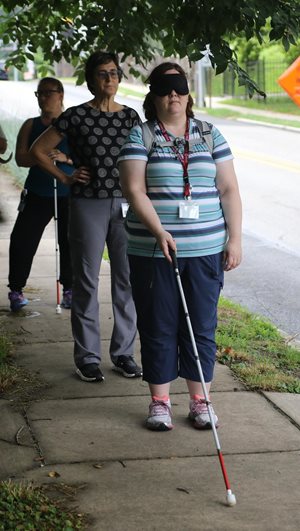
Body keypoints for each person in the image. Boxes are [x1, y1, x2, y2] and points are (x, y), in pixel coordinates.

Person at [118, 62, 242, 431]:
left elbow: (229, 189)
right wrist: (158, 231)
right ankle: (159, 402)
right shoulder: (140, 136)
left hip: (205, 251)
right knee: (159, 324)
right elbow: (133, 189)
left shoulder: (209, 134)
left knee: (201, 325)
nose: (173, 94)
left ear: (188, 95)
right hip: (155, 251)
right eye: (165, 88)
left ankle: (200, 399)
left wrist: (234, 238)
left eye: (179, 87)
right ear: (153, 95)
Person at [31, 51, 142, 382]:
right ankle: (87, 357)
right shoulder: (76, 117)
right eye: (102, 73)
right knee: (85, 280)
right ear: (91, 79)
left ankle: (124, 353)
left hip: (125, 205)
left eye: (113, 73)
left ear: (119, 79)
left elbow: (142, 158)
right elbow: (38, 150)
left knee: (127, 280)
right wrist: (65, 177)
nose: (109, 79)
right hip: (87, 204)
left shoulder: (131, 118)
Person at [8, 77, 73, 312]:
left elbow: (86, 157)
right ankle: (16, 289)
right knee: (22, 240)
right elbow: (22, 158)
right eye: (39, 93)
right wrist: (42, 153)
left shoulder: (72, 124)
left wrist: (65, 158)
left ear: (61, 95)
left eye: (48, 92)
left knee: (69, 242)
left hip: (67, 191)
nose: (43, 97)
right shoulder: (31, 124)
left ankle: (69, 289)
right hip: (37, 190)